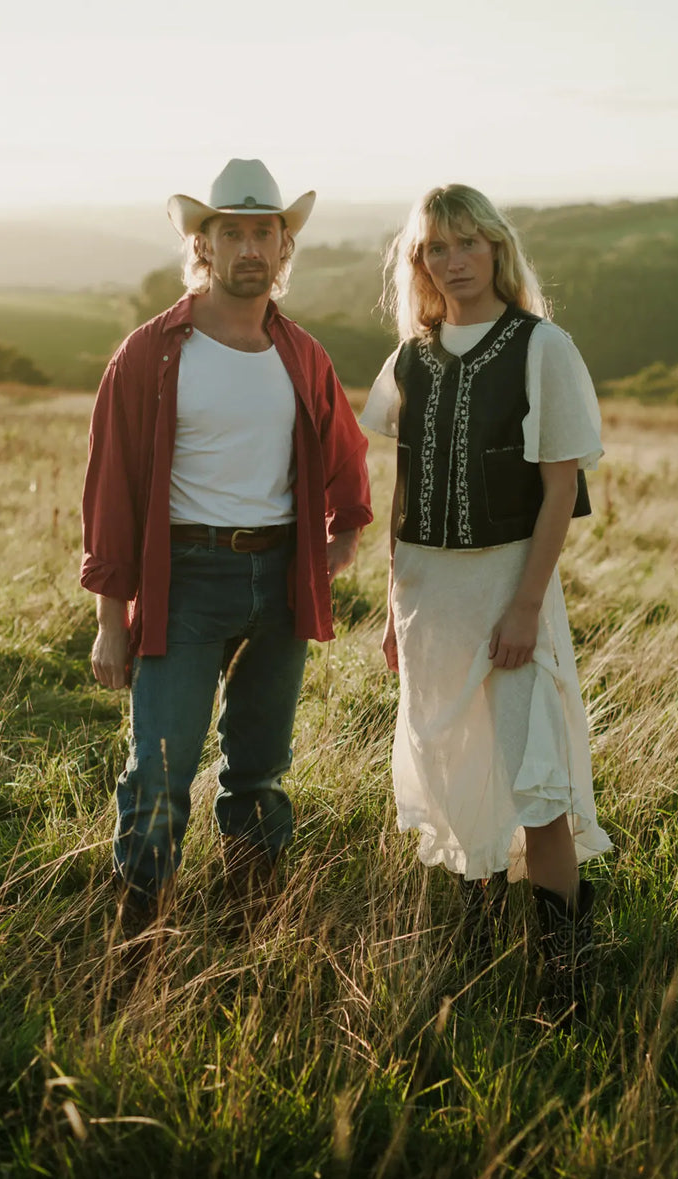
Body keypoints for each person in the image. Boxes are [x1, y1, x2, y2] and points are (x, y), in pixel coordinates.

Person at [81, 158, 372, 935]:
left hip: (280, 580)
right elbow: (111, 488)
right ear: (203, 245)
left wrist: (342, 533)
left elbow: (345, 450)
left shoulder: (302, 355)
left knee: (261, 771)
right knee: (161, 773)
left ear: (284, 248)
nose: (250, 247)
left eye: (264, 233)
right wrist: (112, 618)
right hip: (184, 578)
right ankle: (138, 938)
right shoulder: (149, 353)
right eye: (231, 232)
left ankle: (251, 928)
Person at [360, 184, 611, 1020]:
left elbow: (558, 492)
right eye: (437, 247)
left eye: (469, 242)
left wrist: (524, 607)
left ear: (497, 249)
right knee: (457, 768)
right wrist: (393, 607)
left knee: (535, 780)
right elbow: (403, 491)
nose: (455, 260)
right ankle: (475, 959)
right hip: (429, 592)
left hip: (509, 585)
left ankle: (563, 981)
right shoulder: (409, 358)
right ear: (420, 262)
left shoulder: (542, 348)